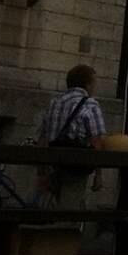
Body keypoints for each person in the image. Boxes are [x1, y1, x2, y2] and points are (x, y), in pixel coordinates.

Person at [35, 64, 106, 208]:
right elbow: (97, 141)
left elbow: (43, 136)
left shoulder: (54, 103)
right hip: (75, 165)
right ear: (87, 84)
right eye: (94, 83)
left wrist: (41, 167)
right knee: (69, 207)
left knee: (49, 205)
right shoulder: (91, 105)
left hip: (53, 163)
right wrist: (98, 175)